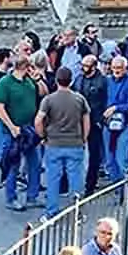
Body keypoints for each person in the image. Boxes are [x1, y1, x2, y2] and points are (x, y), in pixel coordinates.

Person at [0, 52, 47, 212]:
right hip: (14, 131)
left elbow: (44, 93)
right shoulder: (4, 83)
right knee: (13, 164)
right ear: (25, 66)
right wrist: (11, 127)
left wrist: (38, 78)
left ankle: (32, 196)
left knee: (35, 162)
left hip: (29, 128)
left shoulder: (29, 81)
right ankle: (11, 198)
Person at [37, 67, 91, 219]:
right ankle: (77, 212)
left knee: (53, 179)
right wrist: (84, 138)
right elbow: (86, 120)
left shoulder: (48, 99)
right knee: (76, 179)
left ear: (56, 80)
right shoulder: (79, 99)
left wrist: (43, 135)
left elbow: (38, 120)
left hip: (54, 144)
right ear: (71, 80)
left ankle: (51, 213)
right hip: (75, 143)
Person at [73, 54, 111, 195]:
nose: (83, 68)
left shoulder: (103, 81)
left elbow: (106, 100)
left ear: (94, 66)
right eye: (82, 65)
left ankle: (90, 184)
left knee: (94, 154)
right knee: (77, 153)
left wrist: (102, 119)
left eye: (86, 65)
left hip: (95, 121)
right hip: (78, 121)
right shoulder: (79, 79)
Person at [102, 55, 128, 185]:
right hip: (108, 124)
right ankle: (117, 186)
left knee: (122, 159)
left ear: (125, 68)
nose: (116, 70)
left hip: (126, 124)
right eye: (114, 67)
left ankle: (127, 188)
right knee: (109, 160)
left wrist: (116, 108)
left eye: (119, 68)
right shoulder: (108, 81)